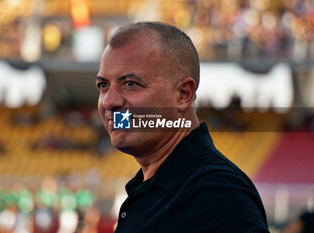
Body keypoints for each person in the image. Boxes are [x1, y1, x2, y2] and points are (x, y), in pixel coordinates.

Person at [96, 21, 269, 233]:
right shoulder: (157, 185)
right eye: (103, 85)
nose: (108, 101)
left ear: (183, 95)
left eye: (131, 83)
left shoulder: (217, 192)